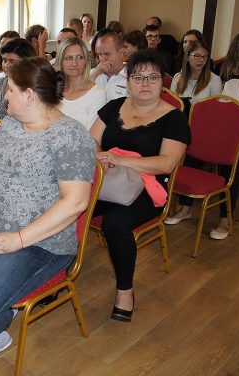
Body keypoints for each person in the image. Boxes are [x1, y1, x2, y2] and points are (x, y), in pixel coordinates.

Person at [0, 57, 96, 365]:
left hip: (38, 243)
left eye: (10, 89)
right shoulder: (10, 122)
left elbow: (75, 202)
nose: (4, 95)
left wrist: (19, 238)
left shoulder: (70, 136)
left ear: (29, 96)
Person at [89, 49, 190, 322]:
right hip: (108, 180)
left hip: (148, 188)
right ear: (128, 80)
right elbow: (91, 140)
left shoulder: (174, 118)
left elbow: (166, 163)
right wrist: (102, 157)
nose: (145, 83)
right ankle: (57, 270)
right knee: (68, 204)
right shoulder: (114, 106)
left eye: (153, 77)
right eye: (138, 77)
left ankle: (125, 291)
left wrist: (121, 160)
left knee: (115, 223)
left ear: (162, 81)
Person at [166, 43, 239, 239]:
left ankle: (225, 219)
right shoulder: (231, 84)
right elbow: (219, 114)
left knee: (231, 160)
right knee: (193, 149)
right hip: (226, 137)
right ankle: (185, 207)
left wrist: (238, 128)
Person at [56, 37, 107, 129]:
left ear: (86, 61)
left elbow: (91, 135)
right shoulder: (53, 90)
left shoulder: (97, 94)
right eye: (68, 58)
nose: (74, 63)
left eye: (80, 57)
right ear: (60, 61)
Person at [171, 40, 222, 107]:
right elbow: (172, 104)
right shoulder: (177, 77)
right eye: (197, 56)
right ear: (187, 58)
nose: (201, 60)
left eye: (205, 56)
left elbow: (215, 108)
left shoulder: (215, 79)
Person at [91, 30, 129, 100]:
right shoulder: (92, 74)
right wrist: (95, 74)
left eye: (107, 54)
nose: (102, 59)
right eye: (99, 54)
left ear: (121, 53)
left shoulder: (132, 77)